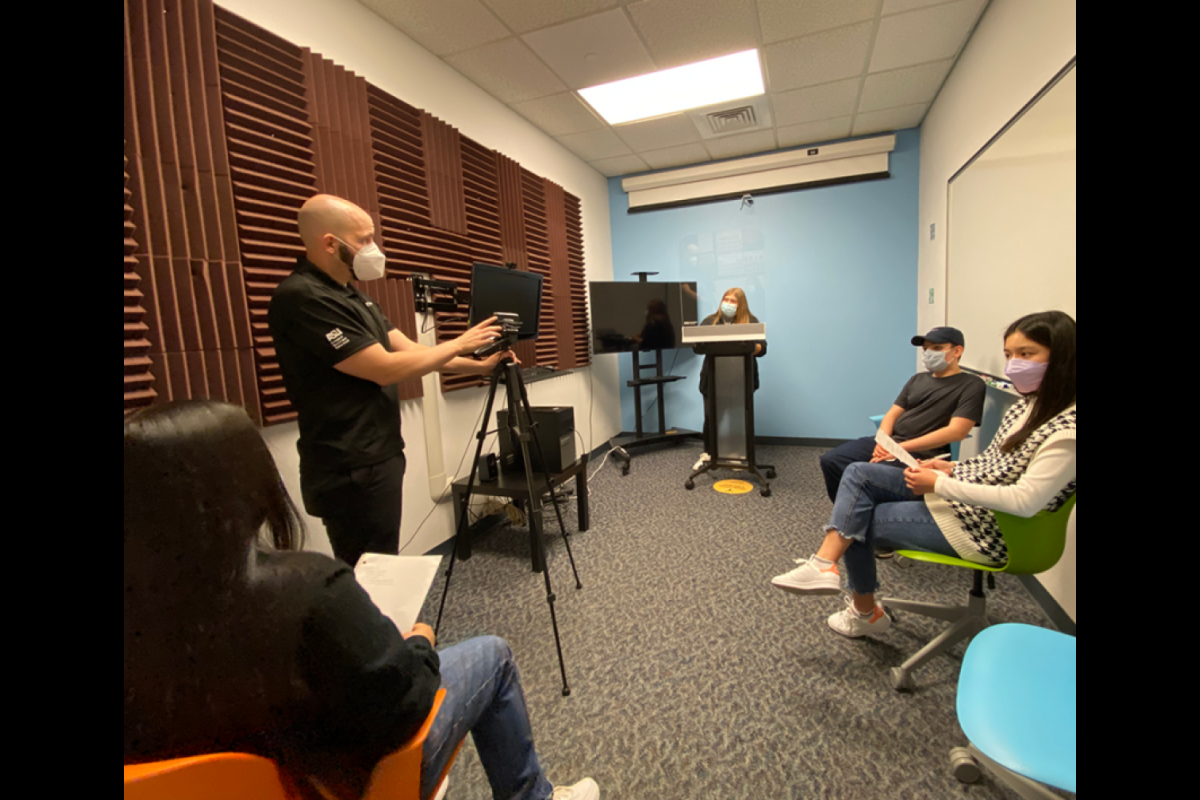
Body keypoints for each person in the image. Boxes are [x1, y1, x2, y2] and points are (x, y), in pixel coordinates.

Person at [124, 400, 600, 800]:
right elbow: (405, 701)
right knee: (493, 653)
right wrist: (419, 641)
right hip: (348, 783)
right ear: (250, 484)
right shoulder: (310, 587)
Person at [770, 311, 1076, 639]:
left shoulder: (1067, 429)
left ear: (1061, 358)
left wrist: (941, 482)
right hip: (959, 496)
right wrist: (950, 467)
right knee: (855, 473)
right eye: (1009, 355)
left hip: (991, 528)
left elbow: (1025, 501)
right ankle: (825, 566)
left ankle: (861, 610)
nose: (1014, 364)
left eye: (1026, 354)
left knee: (856, 522)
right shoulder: (1027, 407)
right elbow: (993, 465)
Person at [269, 194, 510, 569]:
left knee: (381, 558)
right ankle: (376, 627)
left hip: (378, 451)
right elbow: (383, 368)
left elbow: (413, 353)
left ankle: (384, 625)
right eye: (364, 239)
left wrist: (480, 366)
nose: (373, 248)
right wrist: (461, 342)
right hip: (347, 461)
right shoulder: (302, 298)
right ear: (330, 243)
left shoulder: (356, 298)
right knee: (367, 566)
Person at [819, 327, 985, 504]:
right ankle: (847, 510)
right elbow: (892, 414)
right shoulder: (917, 379)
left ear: (957, 351)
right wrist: (883, 441)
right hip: (892, 442)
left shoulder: (971, 385)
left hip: (922, 452)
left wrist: (900, 448)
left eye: (936, 348)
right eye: (926, 349)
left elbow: (956, 432)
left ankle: (865, 515)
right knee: (832, 460)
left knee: (867, 472)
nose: (929, 353)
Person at [696, 288, 767, 464]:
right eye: (725, 299)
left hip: (740, 379)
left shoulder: (751, 321)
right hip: (713, 379)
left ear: (741, 304)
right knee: (711, 416)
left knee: (739, 417)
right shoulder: (710, 321)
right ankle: (709, 453)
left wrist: (753, 346)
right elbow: (698, 345)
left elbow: (762, 349)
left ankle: (739, 452)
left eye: (733, 301)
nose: (728, 303)